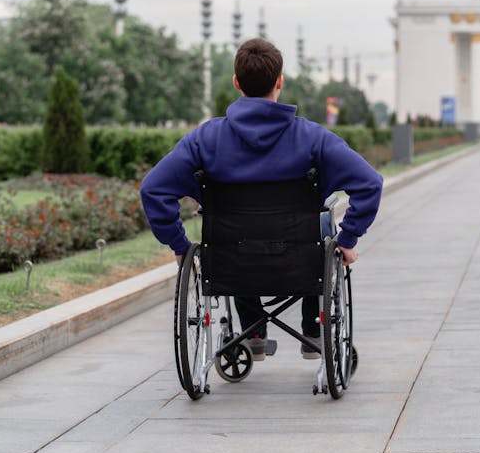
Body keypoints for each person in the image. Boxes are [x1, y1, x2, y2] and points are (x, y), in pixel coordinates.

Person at [140, 38, 383, 361]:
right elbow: (370, 183)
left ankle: (252, 330)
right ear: (280, 81)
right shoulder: (312, 137)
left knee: (236, 233)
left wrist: (180, 246)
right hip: (300, 257)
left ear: (236, 83)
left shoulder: (205, 139)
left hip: (232, 259)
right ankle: (312, 329)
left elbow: (153, 188)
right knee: (323, 222)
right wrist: (348, 237)